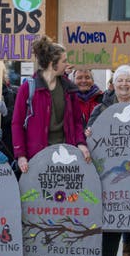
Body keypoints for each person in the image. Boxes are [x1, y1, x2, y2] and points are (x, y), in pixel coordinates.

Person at [86, 64, 130, 256]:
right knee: (110, 216)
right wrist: (89, 133)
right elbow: (89, 135)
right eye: (120, 80)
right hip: (111, 178)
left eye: (129, 80)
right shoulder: (101, 109)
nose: (124, 84)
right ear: (113, 84)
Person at [11, 36, 90, 174]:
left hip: (66, 154)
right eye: (64, 61)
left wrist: (81, 143)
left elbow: (77, 121)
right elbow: (17, 124)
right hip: (38, 157)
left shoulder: (68, 88)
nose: (67, 64)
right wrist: (21, 155)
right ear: (52, 63)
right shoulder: (28, 88)